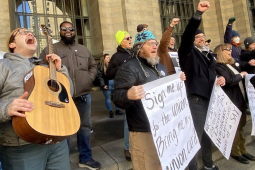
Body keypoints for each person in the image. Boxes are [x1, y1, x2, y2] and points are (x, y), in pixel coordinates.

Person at [112, 25, 186, 170]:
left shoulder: (160, 67)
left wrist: (177, 81)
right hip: (143, 130)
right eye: (150, 44)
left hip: (164, 129)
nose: (154, 46)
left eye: (155, 43)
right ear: (139, 48)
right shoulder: (129, 68)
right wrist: (128, 95)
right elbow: (116, 96)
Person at [0, 28, 71, 170]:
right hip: (22, 145)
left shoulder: (46, 67)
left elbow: (68, 97)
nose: (29, 33)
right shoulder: (3, 66)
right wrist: (6, 108)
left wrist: (61, 70)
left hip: (57, 141)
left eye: (30, 32)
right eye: (22, 32)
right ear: (12, 44)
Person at [39, 21, 100, 169]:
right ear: (59, 31)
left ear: (74, 31)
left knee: (84, 127)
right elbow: (40, 68)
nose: (68, 31)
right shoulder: (51, 48)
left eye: (71, 29)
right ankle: (63, 160)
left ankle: (85, 158)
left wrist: (89, 79)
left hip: (84, 95)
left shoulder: (84, 49)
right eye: (64, 29)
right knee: (64, 129)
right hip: (64, 98)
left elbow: (93, 66)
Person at [178, 1, 226, 170]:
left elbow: (212, 73)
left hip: (210, 99)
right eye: (198, 37)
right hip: (196, 100)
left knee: (207, 135)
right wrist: (198, 15)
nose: (201, 38)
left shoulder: (209, 56)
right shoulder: (187, 53)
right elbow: (186, 37)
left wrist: (219, 79)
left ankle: (208, 164)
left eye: (203, 36)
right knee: (195, 137)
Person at [214, 43, 255, 164]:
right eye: (227, 50)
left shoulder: (231, 64)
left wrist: (249, 64)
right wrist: (241, 75)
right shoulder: (219, 67)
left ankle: (243, 150)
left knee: (241, 127)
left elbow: (242, 65)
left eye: (231, 49)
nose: (230, 51)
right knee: (235, 129)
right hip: (232, 101)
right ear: (220, 52)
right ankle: (235, 152)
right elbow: (230, 81)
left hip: (240, 99)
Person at [106, 30, 133, 161]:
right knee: (128, 121)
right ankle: (127, 148)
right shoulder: (116, 56)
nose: (130, 40)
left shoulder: (133, 53)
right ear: (121, 41)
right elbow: (109, 73)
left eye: (131, 37)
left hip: (139, 89)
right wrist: (122, 66)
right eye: (128, 38)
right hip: (127, 92)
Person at [97, 53, 123, 118]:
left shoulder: (112, 66)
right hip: (106, 84)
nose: (109, 59)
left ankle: (117, 110)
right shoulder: (100, 67)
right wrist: (103, 85)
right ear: (104, 59)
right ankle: (110, 111)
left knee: (116, 97)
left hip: (114, 83)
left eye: (109, 57)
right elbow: (100, 77)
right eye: (107, 58)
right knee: (108, 98)